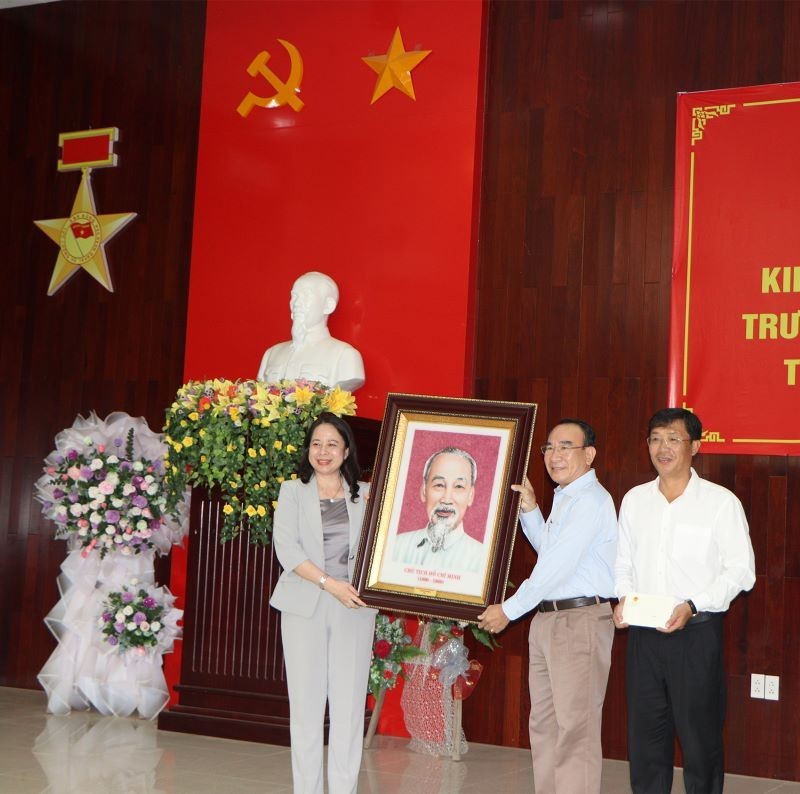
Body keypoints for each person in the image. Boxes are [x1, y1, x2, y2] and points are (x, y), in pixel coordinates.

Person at [614, 407, 755, 794]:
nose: (663, 447)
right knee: (645, 740)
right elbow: (622, 562)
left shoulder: (719, 502)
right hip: (644, 636)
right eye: (655, 439)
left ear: (694, 446)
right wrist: (623, 598)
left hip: (696, 636)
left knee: (700, 740)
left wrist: (693, 603)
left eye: (673, 439)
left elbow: (741, 571)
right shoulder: (634, 500)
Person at [477, 419, 617, 794]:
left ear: (589, 454)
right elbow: (551, 553)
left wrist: (509, 609)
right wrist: (531, 509)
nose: (554, 456)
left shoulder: (591, 500)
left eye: (565, 447)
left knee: (576, 730)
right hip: (549, 619)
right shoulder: (566, 496)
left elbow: (556, 568)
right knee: (545, 725)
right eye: (549, 448)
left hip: (580, 620)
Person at [271, 412, 376, 794]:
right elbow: (287, 549)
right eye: (316, 443)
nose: (323, 451)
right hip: (304, 606)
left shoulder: (367, 495)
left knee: (348, 708)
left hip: (354, 608)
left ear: (346, 450)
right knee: (306, 709)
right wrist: (330, 584)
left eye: (332, 443)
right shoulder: (292, 491)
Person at [257, 271, 365, 392]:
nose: (296, 303)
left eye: (306, 295)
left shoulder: (345, 355)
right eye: (294, 296)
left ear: (328, 305)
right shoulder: (271, 353)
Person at [392, 447, 484, 573]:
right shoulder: (395, 547)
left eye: (458, 486)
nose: (446, 499)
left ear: (470, 496)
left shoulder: (481, 558)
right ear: (424, 491)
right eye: (439, 485)